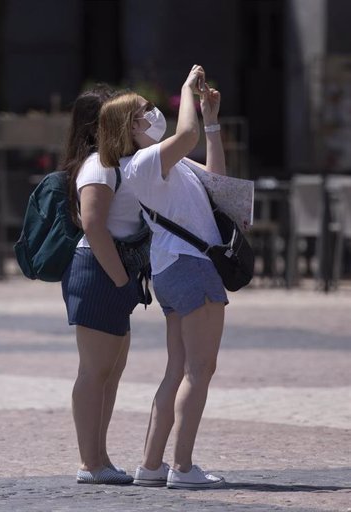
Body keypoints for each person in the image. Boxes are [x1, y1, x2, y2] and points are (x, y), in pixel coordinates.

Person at [97, 65, 228, 489]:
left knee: (178, 369)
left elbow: (220, 184)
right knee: (200, 369)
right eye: (143, 112)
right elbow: (184, 136)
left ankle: (152, 465)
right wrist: (187, 90)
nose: (153, 113)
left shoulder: (166, 161)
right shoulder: (144, 162)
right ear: (128, 129)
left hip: (174, 269)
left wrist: (212, 124)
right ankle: (184, 467)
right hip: (190, 266)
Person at [60, 84, 148, 485]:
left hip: (112, 270)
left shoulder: (116, 164)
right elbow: (94, 224)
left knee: (110, 370)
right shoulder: (99, 165)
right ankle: (89, 462)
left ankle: (100, 456)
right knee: (95, 371)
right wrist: (119, 279)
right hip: (99, 271)